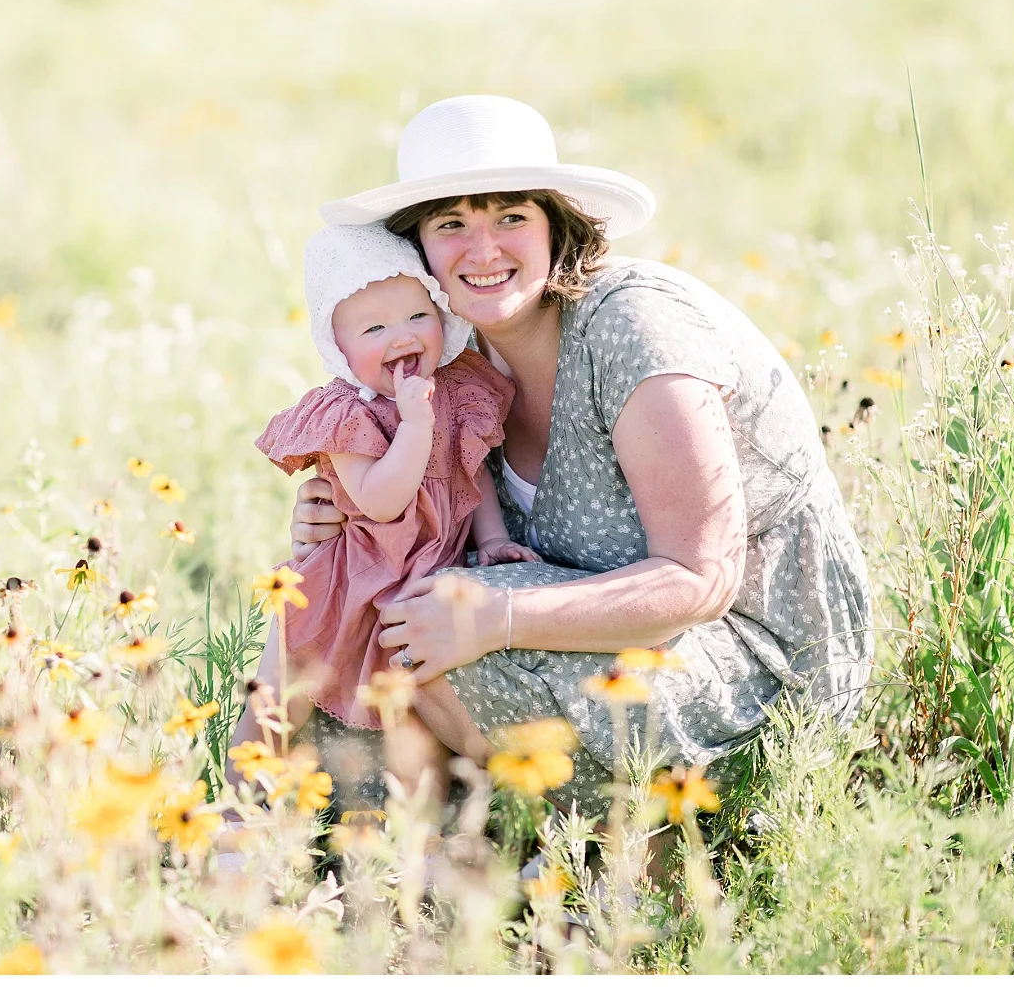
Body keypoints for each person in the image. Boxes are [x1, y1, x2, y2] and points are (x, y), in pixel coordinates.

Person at [286, 95, 874, 821]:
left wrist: (498, 618)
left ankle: (642, 860)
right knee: (342, 650)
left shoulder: (634, 326)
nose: (482, 249)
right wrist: (344, 517)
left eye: (510, 217)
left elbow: (702, 578)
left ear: (555, 223)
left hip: (752, 668)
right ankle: (492, 852)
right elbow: (419, 523)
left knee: (439, 643)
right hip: (595, 647)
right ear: (422, 254)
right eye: (450, 224)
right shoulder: (450, 362)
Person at [223, 221, 537, 809]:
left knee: (413, 715)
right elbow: (381, 500)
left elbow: (471, 478)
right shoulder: (346, 413)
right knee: (279, 695)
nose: (401, 337)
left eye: (417, 316)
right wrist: (415, 428)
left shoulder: (456, 390)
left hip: (420, 577)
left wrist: (491, 540)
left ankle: (422, 834)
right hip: (349, 578)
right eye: (374, 328)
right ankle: (237, 808)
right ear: (338, 349)